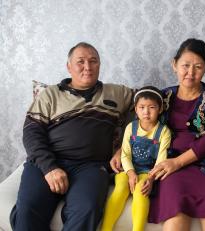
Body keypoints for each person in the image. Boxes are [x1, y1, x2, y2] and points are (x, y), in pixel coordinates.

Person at [10, 42, 134, 231]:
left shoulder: (118, 93)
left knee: (87, 209)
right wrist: (49, 167)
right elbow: (31, 132)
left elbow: (149, 104)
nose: (88, 67)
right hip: (47, 162)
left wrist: (123, 149)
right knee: (27, 210)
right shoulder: (50, 94)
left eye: (94, 61)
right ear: (69, 66)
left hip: (91, 166)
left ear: (99, 65)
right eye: (81, 61)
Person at [148, 38, 205, 231]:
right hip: (170, 164)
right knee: (176, 219)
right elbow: (143, 127)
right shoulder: (162, 96)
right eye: (185, 65)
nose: (191, 72)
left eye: (198, 67)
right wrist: (121, 150)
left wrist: (177, 162)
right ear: (174, 64)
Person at [101, 86, 171, 231]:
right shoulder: (130, 128)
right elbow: (125, 154)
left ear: (160, 109)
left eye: (152, 107)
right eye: (142, 107)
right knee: (120, 189)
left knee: (141, 192)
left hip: (149, 171)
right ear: (136, 109)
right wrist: (130, 173)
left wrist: (151, 179)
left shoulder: (164, 131)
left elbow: (161, 160)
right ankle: (105, 228)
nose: (146, 112)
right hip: (127, 169)